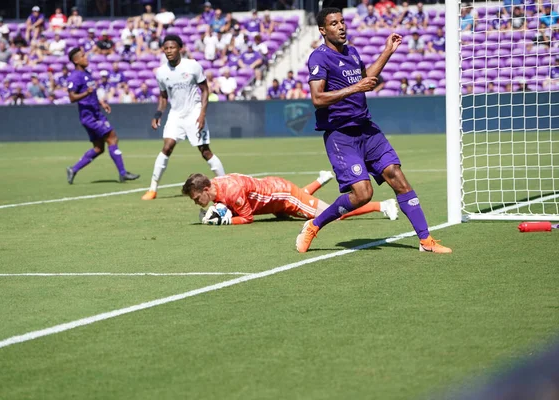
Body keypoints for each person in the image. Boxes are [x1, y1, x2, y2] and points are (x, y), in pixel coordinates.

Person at [297, 7, 451, 254]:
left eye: (342, 22)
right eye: (334, 23)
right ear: (323, 30)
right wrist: (356, 88)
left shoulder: (353, 52)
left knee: (397, 175)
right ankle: (314, 226)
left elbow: (366, 78)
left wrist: (387, 52)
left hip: (367, 129)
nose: (341, 27)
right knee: (362, 194)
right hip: (341, 134)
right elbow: (317, 98)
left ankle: (426, 240)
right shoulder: (319, 57)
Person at [141, 34, 225, 200]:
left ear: (180, 49)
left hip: (194, 113)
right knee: (167, 147)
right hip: (176, 115)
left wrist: (202, 114)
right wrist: (158, 113)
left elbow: (205, 90)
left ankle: (225, 184)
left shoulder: (192, 66)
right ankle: (152, 189)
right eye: (166, 48)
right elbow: (164, 97)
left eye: (172, 47)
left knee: (205, 152)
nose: (169, 51)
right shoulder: (162, 72)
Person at [182, 172, 398, 225]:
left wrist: (227, 220)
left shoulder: (231, 191)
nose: (196, 202)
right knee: (301, 203)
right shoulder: (218, 186)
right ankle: (321, 179)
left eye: (196, 198)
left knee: (331, 215)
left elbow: (247, 218)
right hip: (275, 198)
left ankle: (382, 205)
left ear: (207, 189)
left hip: (283, 195)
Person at [65, 47, 139, 184]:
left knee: (99, 148)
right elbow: (72, 97)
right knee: (112, 138)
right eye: (82, 56)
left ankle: (73, 169)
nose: (85, 57)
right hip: (89, 116)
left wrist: (100, 102)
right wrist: (86, 93)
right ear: (76, 60)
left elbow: (91, 94)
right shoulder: (75, 76)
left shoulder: (87, 73)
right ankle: (123, 173)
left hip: (96, 113)